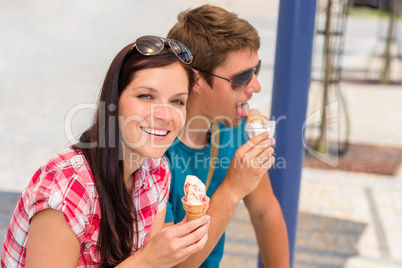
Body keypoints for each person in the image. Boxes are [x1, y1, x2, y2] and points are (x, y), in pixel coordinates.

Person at [1, 35, 210, 267]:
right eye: (146, 96)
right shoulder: (66, 189)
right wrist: (149, 260)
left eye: (177, 102)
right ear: (114, 100)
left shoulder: (156, 170)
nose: (164, 115)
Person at [164, 5, 290, 267]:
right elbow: (173, 264)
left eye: (256, 70)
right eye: (242, 77)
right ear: (195, 80)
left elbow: (265, 212)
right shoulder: (154, 150)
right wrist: (232, 189)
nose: (256, 86)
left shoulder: (234, 132)